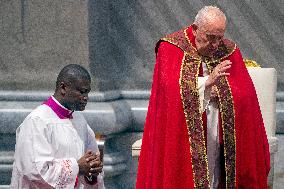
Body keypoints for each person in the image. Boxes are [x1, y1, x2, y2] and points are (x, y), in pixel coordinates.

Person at [136, 6, 270, 189]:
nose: (215, 44)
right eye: (210, 37)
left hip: (218, 126)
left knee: (216, 172)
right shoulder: (171, 48)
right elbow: (170, 90)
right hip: (183, 133)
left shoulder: (229, 50)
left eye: (219, 37)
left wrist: (224, 93)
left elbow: (246, 94)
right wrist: (207, 83)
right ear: (195, 28)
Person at [10, 64, 105, 189]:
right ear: (63, 87)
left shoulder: (79, 120)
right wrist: (77, 168)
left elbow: (91, 159)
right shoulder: (37, 121)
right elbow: (34, 171)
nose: (86, 98)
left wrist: (92, 171)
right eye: (81, 92)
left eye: (87, 92)